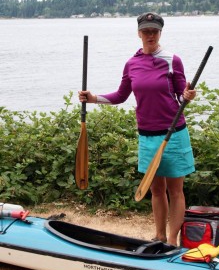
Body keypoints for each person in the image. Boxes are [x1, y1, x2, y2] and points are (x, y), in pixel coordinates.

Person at [79, 12, 196, 246]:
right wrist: (93, 98)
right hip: (147, 135)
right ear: (139, 33)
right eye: (146, 31)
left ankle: (172, 240)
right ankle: (159, 236)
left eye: (154, 30)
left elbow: (183, 92)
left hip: (173, 132)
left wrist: (188, 95)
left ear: (160, 32)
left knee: (175, 190)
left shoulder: (173, 60)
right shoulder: (132, 64)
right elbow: (121, 95)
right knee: (156, 189)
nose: (150, 35)